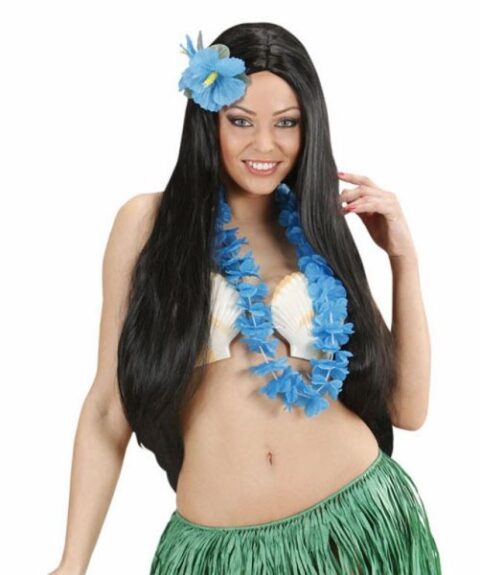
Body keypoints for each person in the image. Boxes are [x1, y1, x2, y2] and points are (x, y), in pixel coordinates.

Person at [49, 22, 442, 575]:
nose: (265, 145)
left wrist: (403, 260)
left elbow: (409, 410)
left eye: (287, 122)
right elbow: (107, 409)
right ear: (208, 120)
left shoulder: (318, 230)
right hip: (217, 552)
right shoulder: (148, 224)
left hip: (356, 527)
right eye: (240, 121)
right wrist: (72, 562)